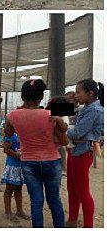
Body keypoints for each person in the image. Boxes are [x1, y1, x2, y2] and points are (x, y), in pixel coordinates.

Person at [4, 79, 68, 228]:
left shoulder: (13, 115)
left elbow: (8, 133)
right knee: (54, 200)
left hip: (28, 162)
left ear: (22, 97)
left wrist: (18, 115)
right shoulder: (52, 115)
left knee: (36, 201)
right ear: (41, 97)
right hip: (52, 161)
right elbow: (64, 141)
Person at [65, 79, 104, 228]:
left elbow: (78, 132)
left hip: (83, 152)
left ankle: (88, 225)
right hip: (75, 151)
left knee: (82, 191)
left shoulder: (94, 110)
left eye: (78, 91)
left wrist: (62, 127)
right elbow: (60, 111)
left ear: (90, 93)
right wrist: (66, 101)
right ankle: (73, 219)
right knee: (72, 187)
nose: (76, 95)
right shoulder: (85, 107)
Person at [1, 131, 29, 220]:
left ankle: (19, 211)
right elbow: (6, 149)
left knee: (18, 188)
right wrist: (17, 155)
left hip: (20, 165)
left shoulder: (23, 133)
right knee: (9, 189)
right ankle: (8, 211)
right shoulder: (11, 134)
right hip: (12, 165)